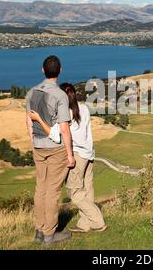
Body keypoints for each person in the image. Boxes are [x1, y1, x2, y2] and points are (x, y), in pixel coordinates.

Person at [28, 83, 107, 234]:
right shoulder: (83, 108)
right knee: (87, 190)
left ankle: (98, 222)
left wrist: (38, 119)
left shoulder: (64, 115)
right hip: (89, 154)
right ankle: (85, 224)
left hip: (77, 156)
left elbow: (54, 135)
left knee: (75, 194)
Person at [26, 56, 76, 246]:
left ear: (42, 70)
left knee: (40, 188)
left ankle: (39, 230)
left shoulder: (31, 92)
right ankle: (49, 234)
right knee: (53, 191)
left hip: (38, 145)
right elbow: (64, 128)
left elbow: (29, 122)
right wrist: (70, 154)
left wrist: (33, 142)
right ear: (60, 70)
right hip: (56, 148)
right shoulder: (60, 95)